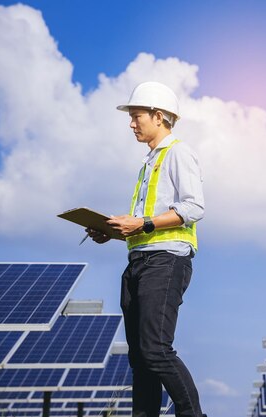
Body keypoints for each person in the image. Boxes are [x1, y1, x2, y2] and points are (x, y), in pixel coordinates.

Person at [87, 81, 205, 417]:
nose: (131, 123)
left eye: (136, 115)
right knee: (140, 357)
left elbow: (194, 207)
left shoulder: (179, 152)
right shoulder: (148, 162)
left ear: (158, 116)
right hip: (139, 260)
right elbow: (144, 224)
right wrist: (112, 232)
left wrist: (144, 224)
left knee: (155, 349)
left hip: (166, 261)